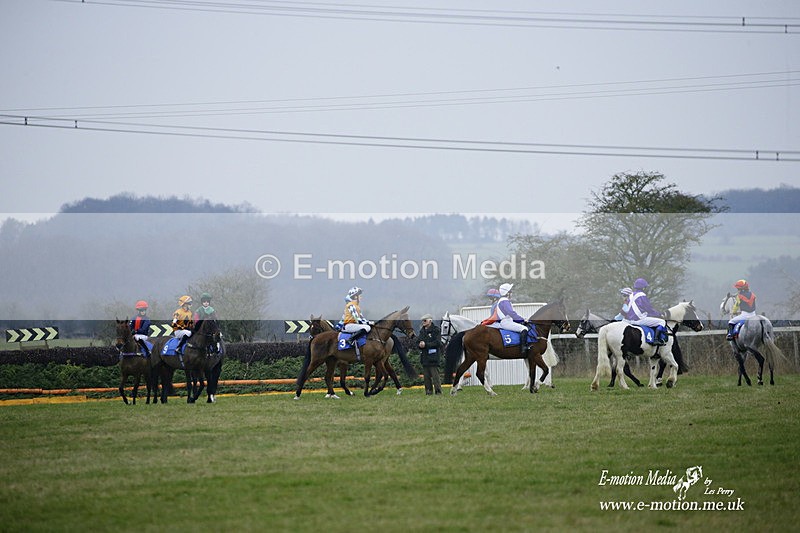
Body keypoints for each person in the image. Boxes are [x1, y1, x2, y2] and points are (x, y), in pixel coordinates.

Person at [626, 278, 668, 345]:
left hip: (628, 320)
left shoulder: (630, 295)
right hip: (638, 320)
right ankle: (656, 339)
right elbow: (649, 309)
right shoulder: (642, 295)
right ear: (643, 287)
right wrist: (659, 315)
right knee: (662, 322)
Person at [495, 283, 531, 354]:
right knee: (524, 329)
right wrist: (522, 320)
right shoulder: (504, 301)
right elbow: (511, 313)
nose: (511, 293)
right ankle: (523, 348)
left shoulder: (502, 300)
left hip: (507, 321)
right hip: (506, 322)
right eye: (510, 291)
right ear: (507, 293)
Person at [341, 286, 372, 359]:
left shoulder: (356, 306)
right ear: (355, 296)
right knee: (367, 327)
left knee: (368, 326)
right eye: (359, 295)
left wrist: (369, 322)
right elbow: (358, 319)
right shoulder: (351, 305)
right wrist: (369, 323)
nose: (361, 297)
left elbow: (362, 318)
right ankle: (350, 339)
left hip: (353, 325)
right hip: (349, 325)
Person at [418, 313, 443, 395]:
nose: (423, 322)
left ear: (430, 321)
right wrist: (419, 345)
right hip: (424, 357)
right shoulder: (422, 331)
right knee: (426, 377)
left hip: (433, 357)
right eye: (422, 321)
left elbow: (438, 342)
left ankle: (438, 391)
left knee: (435, 376)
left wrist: (426, 344)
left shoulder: (436, 330)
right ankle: (428, 391)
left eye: (425, 320)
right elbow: (418, 341)